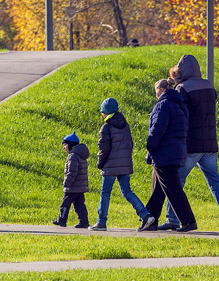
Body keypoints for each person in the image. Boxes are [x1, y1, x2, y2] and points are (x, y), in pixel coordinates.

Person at [162, 54, 219, 232]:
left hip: (191, 144)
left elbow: (179, 115)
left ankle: (172, 218)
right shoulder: (209, 86)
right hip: (210, 144)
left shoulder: (182, 89)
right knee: (215, 181)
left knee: (176, 181)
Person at [139, 79, 197, 233]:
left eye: (156, 90)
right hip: (176, 151)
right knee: (158, 190)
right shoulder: (180, 105)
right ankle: (150, 220)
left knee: (173, 189)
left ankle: (188, 221)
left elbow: (157, 130)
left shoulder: (162, 105)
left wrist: (150, 146)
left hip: (164, 153)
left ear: (162, 89)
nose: (155, 94)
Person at [90, 98, 151, 231]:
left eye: (102, 112)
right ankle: (145, 215)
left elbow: (103, 149)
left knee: (105, 193)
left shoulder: (106, 127)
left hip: (110, 166)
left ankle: (101, 222)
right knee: (127, 191)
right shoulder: (125, 125)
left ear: (106, 112)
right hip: (124, 164)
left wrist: (100, 163)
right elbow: (130, 144)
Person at [52, 131, 89, 228]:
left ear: (71, 145)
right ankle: (84, 222)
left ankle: (62, 220)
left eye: (65, 145)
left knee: (65, 203)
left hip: (72, 186)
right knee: (79, 205)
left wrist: (66, 183)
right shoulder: (81, 155)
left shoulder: (73, 156)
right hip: (80, 186)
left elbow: (72, 172)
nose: (64, 147)